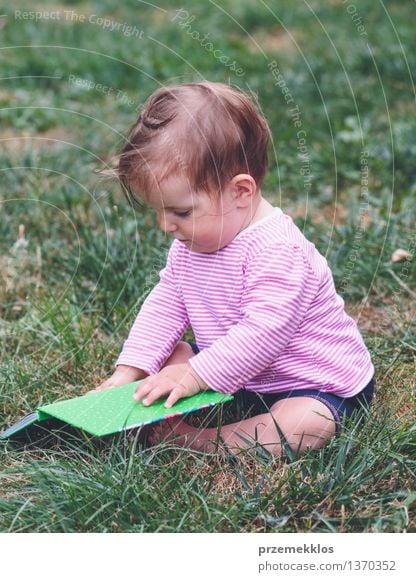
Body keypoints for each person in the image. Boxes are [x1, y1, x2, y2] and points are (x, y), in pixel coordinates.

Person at [92, 81, 375, 457]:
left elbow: (263, 334)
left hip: (312, 381)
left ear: (241, 192)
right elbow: (167, 303)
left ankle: (203, 441)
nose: (166, 225)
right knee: (171, 351)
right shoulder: (194, 242)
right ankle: (148, 406)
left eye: (180, 212)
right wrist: (131, 371)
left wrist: (194, 375)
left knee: (307, 421)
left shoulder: (278, 252)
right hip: (239, 372)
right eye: (159, 211)